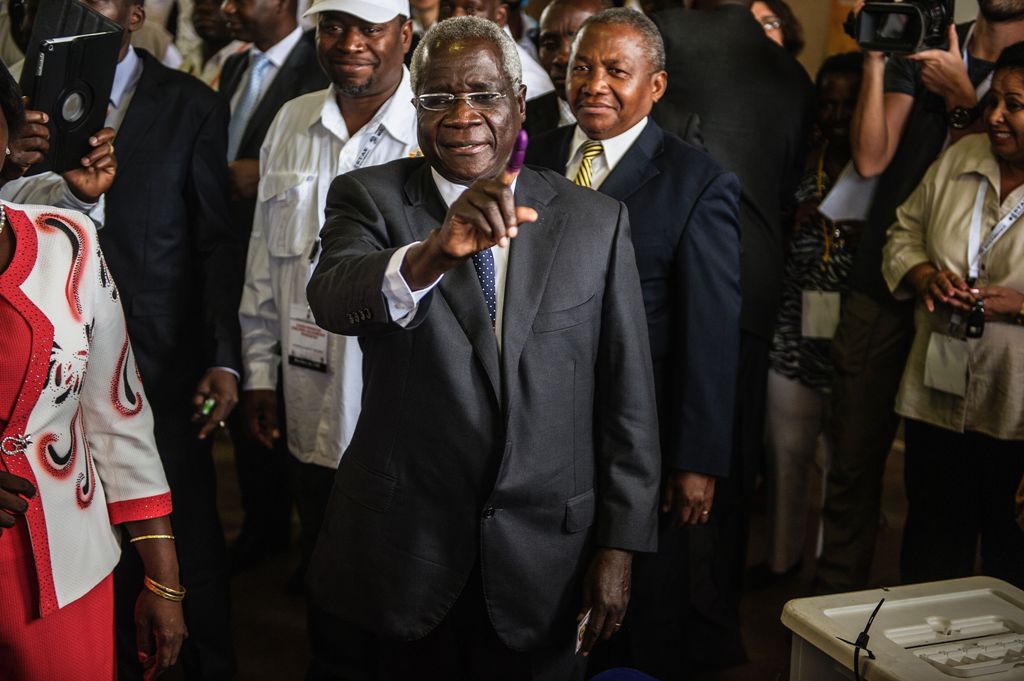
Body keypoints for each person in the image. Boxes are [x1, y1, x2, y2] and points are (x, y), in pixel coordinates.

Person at [305, 15, 661, 680]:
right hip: (401, 553)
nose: (462, 115)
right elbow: (331, 296)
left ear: (520, 103)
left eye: (484, 95)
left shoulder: (593, 221)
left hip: (546, 563)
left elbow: (628, 399)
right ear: (416, 110)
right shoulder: (370, 196)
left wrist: (620, 546)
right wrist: (432, 253)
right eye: (438, 97)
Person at [11, 0, 245, 676]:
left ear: (136, 13)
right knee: (75, 547)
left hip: (158, 366)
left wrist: (224, 359)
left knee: (185, 540)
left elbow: (214, 243)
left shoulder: (188, 104)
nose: (78, 9)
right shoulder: (18, 97)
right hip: (39, 380)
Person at [527, 9, 741, 680]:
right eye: (581, 67)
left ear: (655, 86)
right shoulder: (530, 152)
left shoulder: (694, 182)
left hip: (633, 437)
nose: (594, 85)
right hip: (537, 426)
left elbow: (710, 333)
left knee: (633, 612)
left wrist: (697, 459)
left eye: (617, 71)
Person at [816, 0, 1024, 595]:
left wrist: (968, 100)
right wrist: (878, 59)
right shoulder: (927, 38)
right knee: (853, 457)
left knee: (967, 485)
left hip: (981, 317)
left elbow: (1010, 157)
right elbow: (872, 157)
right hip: (891, 276)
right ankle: (834, 613)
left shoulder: (1013, 72)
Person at [237, 0, 417, 674]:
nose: (349, 43)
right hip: (309, 397)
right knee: (325, 577)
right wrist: (258, 370)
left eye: (369, 27)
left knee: (398, 590)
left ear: (405, 31)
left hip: (399, 413)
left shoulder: (436, 127)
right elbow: (263, 260)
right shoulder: (291, 120)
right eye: (332, 26)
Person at [0, 63, 186, 681]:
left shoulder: (68, 242)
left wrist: (163, 580)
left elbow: (118, 416)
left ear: (8, 136)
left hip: (62, 570)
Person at [649, 0, 813, 668]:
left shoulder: (658, 33)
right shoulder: (790, 75)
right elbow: (787, 183)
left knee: (656, 446)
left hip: (668, 269)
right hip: (752, 278)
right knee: (730, 457)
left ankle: (656, 617)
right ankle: (713, 621)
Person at [881, 41, 1024, 588]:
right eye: (994, 102)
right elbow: (903, 231)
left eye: (1014, 105)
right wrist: (921, 275)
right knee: (932, 546)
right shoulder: (962, 157)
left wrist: (1020, 304)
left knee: (1012, 561)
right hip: (936, 398)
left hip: (1014, 410)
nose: (993, 116)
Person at [219, 0, 328, 570]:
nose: (226, 8)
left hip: (302, 274)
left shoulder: (321, 66)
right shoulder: (236, 64)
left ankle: (305, 548)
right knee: (257, 411)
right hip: (245, 254)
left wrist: (258, 176)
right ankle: (266, 529)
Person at [752, 52, 864, 587]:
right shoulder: (802, 160)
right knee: (787, 459)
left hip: (855, 340)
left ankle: (832, 578)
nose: (838, 114)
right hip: (794, 333)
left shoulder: (886, 172)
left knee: (844, 469)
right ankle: (782, 561)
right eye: (829, 103)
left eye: (850, 103)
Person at [438, 0, 554, 101]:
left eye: (471, 9)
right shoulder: (435, 64)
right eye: (447, 8)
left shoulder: (527, 82)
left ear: (500, 15)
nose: (454, 17)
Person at [524, 0, 607, 137]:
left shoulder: (644, 120)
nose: (561, 58)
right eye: (550, 45)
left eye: (578, 42)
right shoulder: (520, 121)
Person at [181, 0, 250, 90]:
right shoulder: (190, 59)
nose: (204, 8)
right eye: (198, 2)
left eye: (218, 2)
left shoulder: (249, 64)